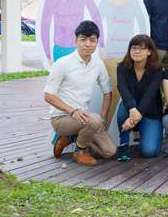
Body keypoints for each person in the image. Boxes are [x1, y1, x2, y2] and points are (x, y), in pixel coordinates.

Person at [45, 20, 116, 166]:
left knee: (110, 151)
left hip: (83, 119)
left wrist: (103, 118)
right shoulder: (63, 63)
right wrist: (73, 112)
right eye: (83, 39)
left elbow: (107, 92)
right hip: (62, 118)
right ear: (75, 40)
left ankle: (70, 138)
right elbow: (48, 96)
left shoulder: (98, 64)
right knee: (93, 120)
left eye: (92, 40)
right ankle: (79, 151)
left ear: (97, 42)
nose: (88, 44)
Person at [98, 0, 150, 127]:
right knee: (113, 93)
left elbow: (142, 25)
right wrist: (101, 47)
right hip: (110, 53)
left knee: (135, 92)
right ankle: (103, 130)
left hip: (132, 53)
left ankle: (131, 129)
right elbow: (98, 24)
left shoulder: (135, 0)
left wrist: (143, 50)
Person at [40, 0, 103, 65]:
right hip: (59, 48)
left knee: (80, 78)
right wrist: (47, 54)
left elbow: (96, 16)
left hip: (79, 48)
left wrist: (101, 45)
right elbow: (45, 24)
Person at [116, 35, 164, 161]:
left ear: (149, 52)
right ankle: (124, 144)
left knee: (149, 151)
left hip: (150, 112)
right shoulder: (122, 67)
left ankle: (144, 130)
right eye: (134, 48)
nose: (137, 51)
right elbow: (123, 90)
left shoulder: (157, 69)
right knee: (124, 106)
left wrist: (137, 115)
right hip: (130, 108)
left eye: (142, 48)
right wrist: (132, 110)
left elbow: (150, 94)